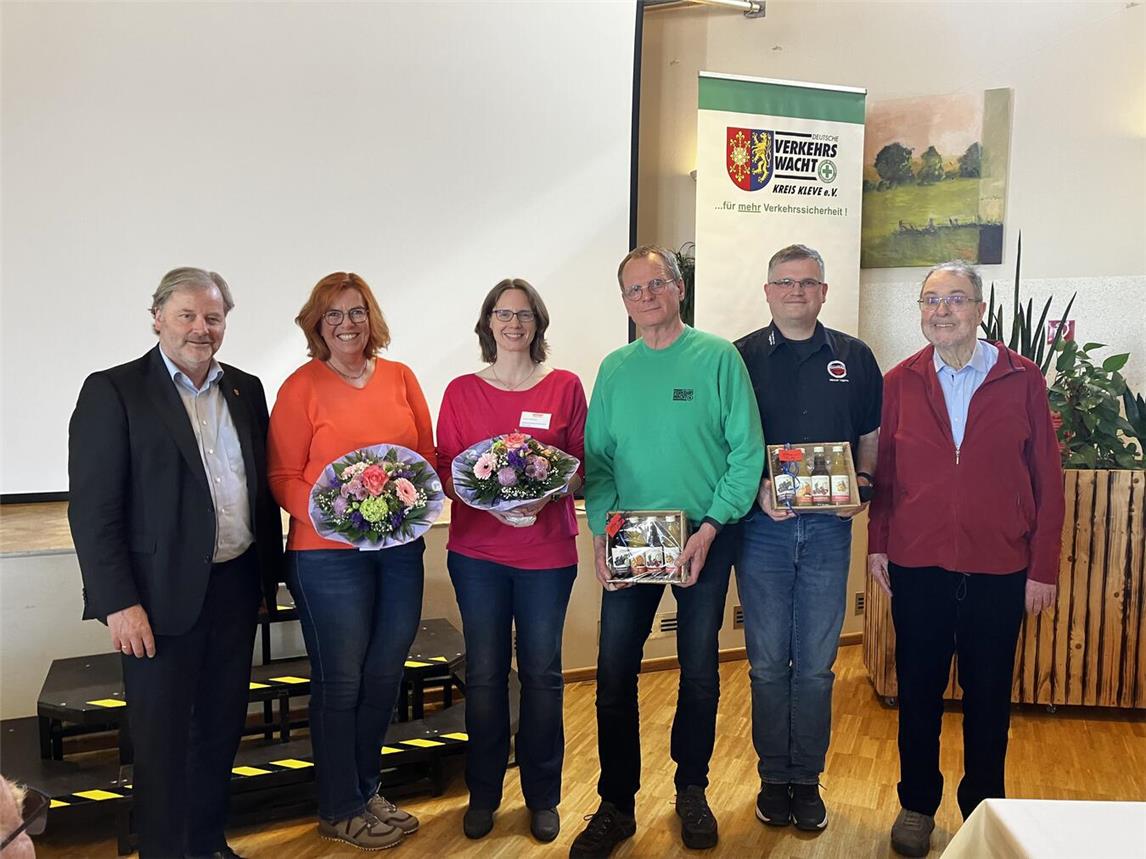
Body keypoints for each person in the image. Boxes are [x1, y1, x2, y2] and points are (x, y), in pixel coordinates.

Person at [68, 268, 283, 859]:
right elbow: (93, 512)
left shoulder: (246, 388)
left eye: (213, 317)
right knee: (161, 744)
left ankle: (209, 843)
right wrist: (118, 603)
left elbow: (258, 493)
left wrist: (267, 579)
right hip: (156, 602)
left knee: (220, 731)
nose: (201, 328)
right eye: (187, 314)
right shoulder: (114, 391)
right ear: (157, 317)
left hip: (235, 587)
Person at [867, 260, 1065, 857]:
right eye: (930, 300)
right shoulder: (900, 379)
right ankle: (916, 804)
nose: (941, 310)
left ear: (979, 309)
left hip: (999, 567)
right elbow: (890, 472)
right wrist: (878, 541)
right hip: (917, 563)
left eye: (954, 299)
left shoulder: (1021, 376)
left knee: (988, 696)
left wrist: (1043, 567)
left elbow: (1047, 481)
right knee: (918, 693)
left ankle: (984, 808)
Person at [572, 245, 764, 858]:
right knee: (611, 675)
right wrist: (602, 534)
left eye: (657, 283)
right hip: (631, 541)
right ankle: (616, 804)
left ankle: (691, 789)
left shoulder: (717, 357)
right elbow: (598, 462)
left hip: (703, 538)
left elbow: (745, 452)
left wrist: (710, 529)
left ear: (678, 288)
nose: (646, 296)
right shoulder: (614, 368)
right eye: (634, 289)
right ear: (624, 302)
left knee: (700, 671)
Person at [267, 272, 433, 850]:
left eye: (357, 311)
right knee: (341, 682)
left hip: (399, 552)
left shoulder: (401, 378)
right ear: (317, 323)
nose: (346, 323)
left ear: (372, 317)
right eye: (334, 314)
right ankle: (339, 807)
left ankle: (365, 790)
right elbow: (283, 477)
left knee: (384, 675)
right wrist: (336, 520)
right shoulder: (300, 387)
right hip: (326, 557)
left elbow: (426, 460)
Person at [733, 244, 882, 831]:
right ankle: (774, 777)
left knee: (817, 666)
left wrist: (863, 483)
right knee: (768, 663)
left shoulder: (856, 356)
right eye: (786, 282)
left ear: (825, 292)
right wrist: (758, 489)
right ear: (767, 291)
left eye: (809, 283)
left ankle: (807, 778)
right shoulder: (738, 358)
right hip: (762, 531)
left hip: (828, 531)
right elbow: (727, 441)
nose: (797, 291)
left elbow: (869, 433)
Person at [436, 278, 587, 844]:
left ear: (537, 324)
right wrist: (490, 505)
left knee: (544, 676)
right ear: (488, 323)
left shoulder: (565, 386)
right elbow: (449, 466)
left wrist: (546, 492)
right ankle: (484, 793)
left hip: (547, 554)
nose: (514, 323)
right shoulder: (460, 391)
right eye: (504, 314)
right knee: (484, 674)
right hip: (477, 553)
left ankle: (543, 796)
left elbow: (581, 467)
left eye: (524, 314)